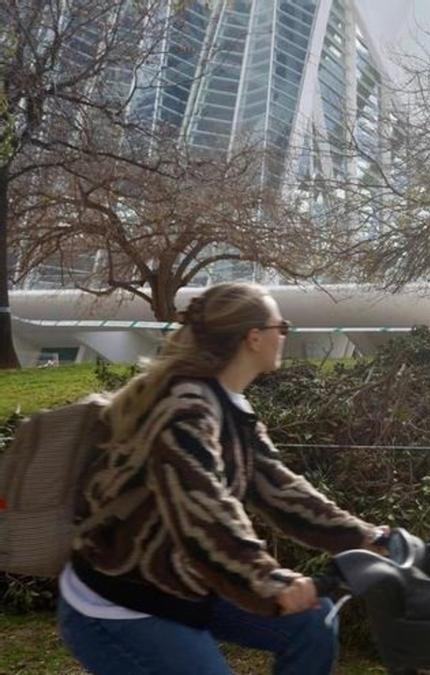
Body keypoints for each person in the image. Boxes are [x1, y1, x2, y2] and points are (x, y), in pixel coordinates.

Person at [57, 283, 390, 675]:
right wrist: (269, 581)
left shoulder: (229, 406)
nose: (284, 334)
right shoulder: (184, 410)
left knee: (312, 623)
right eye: (280, 326)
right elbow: (205, 517)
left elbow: (281, 491)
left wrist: (367, 538)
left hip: (188, 578)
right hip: (126, 602)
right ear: (254, 338)